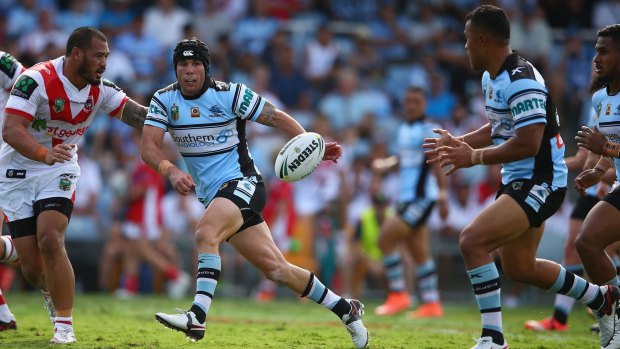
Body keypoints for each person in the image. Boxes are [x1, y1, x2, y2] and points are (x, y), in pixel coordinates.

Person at [142, 38, 368, 349]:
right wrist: (171, 170)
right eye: (183, 64)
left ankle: (197, 315)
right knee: (277, 270)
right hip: (215, 196)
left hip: (244, 183)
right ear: (176, 69)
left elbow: (274, 116)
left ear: (205, 68)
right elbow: (148, 147)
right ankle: (347, 310)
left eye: (196, 64)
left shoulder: (229, 94)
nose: (190, 70)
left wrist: (310, 145)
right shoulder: (164, 100)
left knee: (205, 233)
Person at [423, 6, 620, 349]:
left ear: (483, 40)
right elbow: (500, 127)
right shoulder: (492, 77)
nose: (465, 48)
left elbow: (529, 142)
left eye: (467, 41)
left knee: (473, 240)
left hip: (541, 180)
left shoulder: (521, 79)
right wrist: (460, 142)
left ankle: (493, 338)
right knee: (520, 267)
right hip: (521, 179)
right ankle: (600, 299)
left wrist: (474, 158)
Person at [1, 27, 148, 343]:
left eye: (106, 57)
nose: (104, 63)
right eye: (99, 56)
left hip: (61, 167)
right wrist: (43, 153)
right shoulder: (35, 80)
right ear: (76, 54)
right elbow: (12, 131)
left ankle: (64, 326)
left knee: (51, 238)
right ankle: (20, 260)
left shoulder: (101, 89)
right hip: (18, 171)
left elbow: (139, 116)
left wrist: (177, 122)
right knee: (33, 267)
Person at [372, 86, 449, 318]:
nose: (411, 105)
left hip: (422, 197)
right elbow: (403, 159)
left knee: (385, 238)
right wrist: (385, 165)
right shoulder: (404, 129)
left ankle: (398, 295)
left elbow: (437, 162)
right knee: (419, 252)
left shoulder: (428, 129)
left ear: (424, 104)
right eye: (408, 101)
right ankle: (432, 304)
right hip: (406, 197)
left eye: (416, 101)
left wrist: (444, 196)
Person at [573, 24, 620, 344]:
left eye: (604, 51)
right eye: (595, 51)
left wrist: (605, 149)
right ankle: (615, 311)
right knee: (586, 242)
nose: (596, 57)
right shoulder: (600, 98)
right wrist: (598, 169)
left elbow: (610, 144)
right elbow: (612, 149)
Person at [0, 50, 25, 331]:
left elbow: (31, 90)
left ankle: (27, 251)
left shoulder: (3, 62)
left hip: (4, 159)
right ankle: (3, 315)